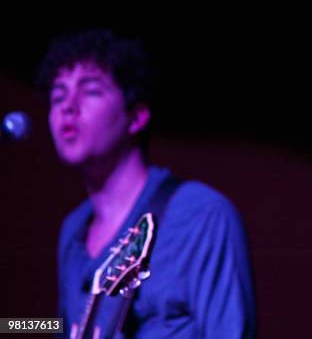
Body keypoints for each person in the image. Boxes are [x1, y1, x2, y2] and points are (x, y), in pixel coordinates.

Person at [38, 29, 256, 338]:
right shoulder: (72, 230)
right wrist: (10, 325)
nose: (67, 106)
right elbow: (56, 328)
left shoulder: (201, 215)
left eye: (91, 91)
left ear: (137, 117)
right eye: (58, 95)